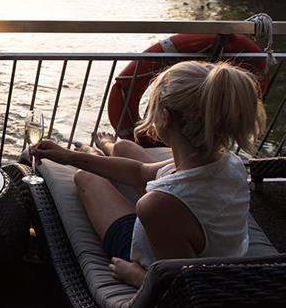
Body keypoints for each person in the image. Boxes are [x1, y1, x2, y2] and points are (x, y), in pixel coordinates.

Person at [32, 61, 266, 288]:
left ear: (166, 117)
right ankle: (106, 147)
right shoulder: (230, 161)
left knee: (86, 177)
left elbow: (183, 287)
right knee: (124, 148)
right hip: (217, 246)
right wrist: (68, 157)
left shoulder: (156, 205)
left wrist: (138, 276)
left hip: (147, 252)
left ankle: (96, 150)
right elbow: (140, 172)